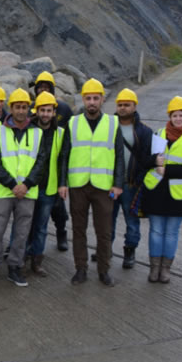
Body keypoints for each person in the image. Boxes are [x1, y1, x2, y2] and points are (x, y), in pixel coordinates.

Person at [58, 78, 124, 287]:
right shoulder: (73, 123)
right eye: (88, 98)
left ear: (103, 100)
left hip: (104, 188)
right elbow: (65, 155)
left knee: (104, 232)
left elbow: (120, 157)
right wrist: (62, 183)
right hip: (78, 186)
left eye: (96, 98)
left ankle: (104, 270)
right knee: (78, 229)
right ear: (83, 100)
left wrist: (118, 184)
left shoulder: (113, 124)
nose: (92, 102)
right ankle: (80, 269)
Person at [0, 89, 46, 288]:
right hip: (4, 190)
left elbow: (41, 162)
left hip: (27, 192)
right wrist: (12, 184)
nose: (21, 111)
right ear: (11, 108)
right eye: (17, 107)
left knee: (21, 233)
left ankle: (15, 268)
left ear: (29, 109)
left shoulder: (37, 133)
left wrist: (26, 185)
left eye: (24, 107)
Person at [142, 96, 182, 284]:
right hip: (156, 191)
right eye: (175, 115)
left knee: (171, 232)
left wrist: (166, 170)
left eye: (181, 115)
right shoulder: (158, 134)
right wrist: (154, 162)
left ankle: (165, 269)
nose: (178, 119)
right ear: (170, 116)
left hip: (178, 194)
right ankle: (154, 268)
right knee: (156, 230)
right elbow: (146, 160)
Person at [110, 89, 153, 269]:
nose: (122, 108)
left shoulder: (144, 131)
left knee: (132, 221)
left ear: (135, 106)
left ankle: (130, 251)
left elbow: (148, 159)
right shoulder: (109, 126)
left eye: (127, 105)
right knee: (106, 220)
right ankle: (105, 249)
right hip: (111, 185)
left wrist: (139, 180)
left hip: (131, 185)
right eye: (120, 105)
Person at [32, 71, 72, 251]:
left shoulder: (63, 109)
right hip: (36, 171)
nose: (42, 90)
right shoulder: (32, 109)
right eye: (40, 87)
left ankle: (61, 233)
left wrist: (63, 179)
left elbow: (70, 136)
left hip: (54, 167)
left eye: (46, 87)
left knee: (59, 210)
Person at [26, 92, 63, 276]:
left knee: (41, 227)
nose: (46, 114)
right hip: (29, 187)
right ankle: (20, 255)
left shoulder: (60, 133)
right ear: (37, 111)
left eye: (49, 110)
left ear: (54, 112)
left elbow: (62, 161)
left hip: (48, 188)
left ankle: (37, 260)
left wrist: (62, 185)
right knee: (24, 224)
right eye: (43, 110)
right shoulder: (28, 130)